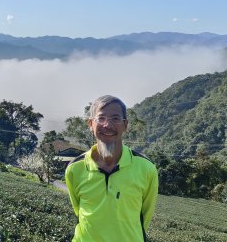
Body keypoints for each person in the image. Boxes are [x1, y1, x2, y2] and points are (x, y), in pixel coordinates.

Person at [65, 95, 158, 241]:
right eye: (101, 118)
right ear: (91, 124)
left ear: (125, 125)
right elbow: (78, 211)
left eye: (115, 118)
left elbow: (144, 217)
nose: (107, 125)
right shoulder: (75, 168)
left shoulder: (146, 168)